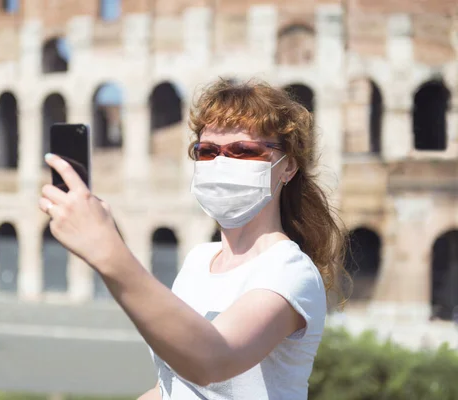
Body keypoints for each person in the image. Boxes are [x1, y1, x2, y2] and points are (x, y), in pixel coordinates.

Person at [39, 79, 350, 400]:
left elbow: (212, 361)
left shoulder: (289, 271)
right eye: (207, 151)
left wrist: (108, 250)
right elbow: (174, 387)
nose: (221, 162)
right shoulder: (200, 259)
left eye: (243, 151)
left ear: (288, 167)